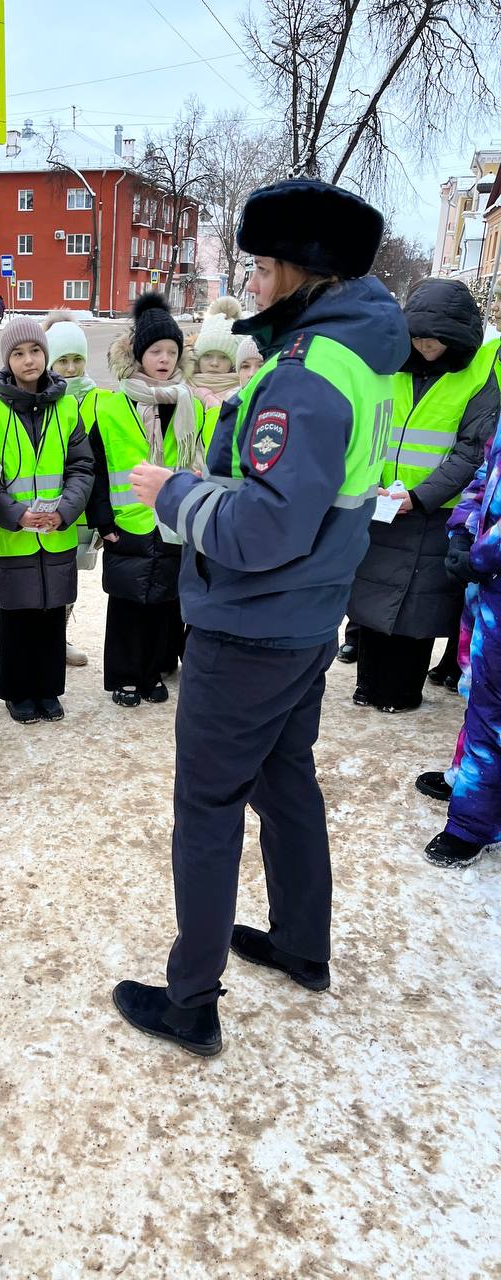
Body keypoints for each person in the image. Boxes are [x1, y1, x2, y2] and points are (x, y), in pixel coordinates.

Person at [111, 179, 409, 1056]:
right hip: (305, 624)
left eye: (262, 266)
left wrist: (178, 493)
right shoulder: (357, 358)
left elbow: (268, 524)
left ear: (298, 272)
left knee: (207, 808)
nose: (255, 280)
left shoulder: (310, 374)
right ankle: (300, 944)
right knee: (285, 785)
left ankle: (190, 1001)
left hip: (253, 626)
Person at [347, 279, 500, 712]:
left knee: (416, 607)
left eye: (436, 336)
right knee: (373, 597)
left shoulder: (476, 377)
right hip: (380, 500)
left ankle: (400, 690)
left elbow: (473, 450)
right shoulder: (390, 364)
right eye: (418, 334)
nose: (425, 343)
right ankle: (368, 682)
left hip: (434, 509)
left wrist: (422, 495)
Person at [86, 292, 203, 706]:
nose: (165, 358)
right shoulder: (110, 406)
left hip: (172, 522)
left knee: (163, 605)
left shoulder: (190, 406)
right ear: (139, 355)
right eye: (156, 350)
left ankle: (153, 672)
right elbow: (96, 470)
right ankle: (125, 677)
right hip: (127, 523)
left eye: (172, 351)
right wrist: (104, 523)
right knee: (127, 606)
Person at [0, 317, 94, 722]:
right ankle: (16, 690)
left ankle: (48, 689)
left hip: (56, 532)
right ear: (7, 361)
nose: (29, 360)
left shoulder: (67, 407)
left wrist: (64, 512)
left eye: (36, 351)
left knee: (50, 615)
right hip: (11, 534)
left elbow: (82, 467)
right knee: (18, 617)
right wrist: (14, 513)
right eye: (18, 353)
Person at [424, 406, 501, 867]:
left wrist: (483, 554)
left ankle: (475, 822)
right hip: (487, 586)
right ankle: (466, 775)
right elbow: (484, 472)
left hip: (493, 573)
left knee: (494, 709)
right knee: (478, 688)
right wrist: (461, 532)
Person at [44, 308, 99, 667]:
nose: (70, 368)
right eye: (62, 360)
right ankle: (44, 640)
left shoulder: (97, 398)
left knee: (70, 579)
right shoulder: (44, 396)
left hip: (84, 506)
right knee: (44, 577)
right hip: (48, 504)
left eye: (77, 359)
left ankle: (59, 638)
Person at [184, 297, 243, 409]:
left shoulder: (243, 393)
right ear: (197, 359)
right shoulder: (180, 388)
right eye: (207, 356)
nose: (214, 363)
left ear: (233, 362)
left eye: (224, 357)